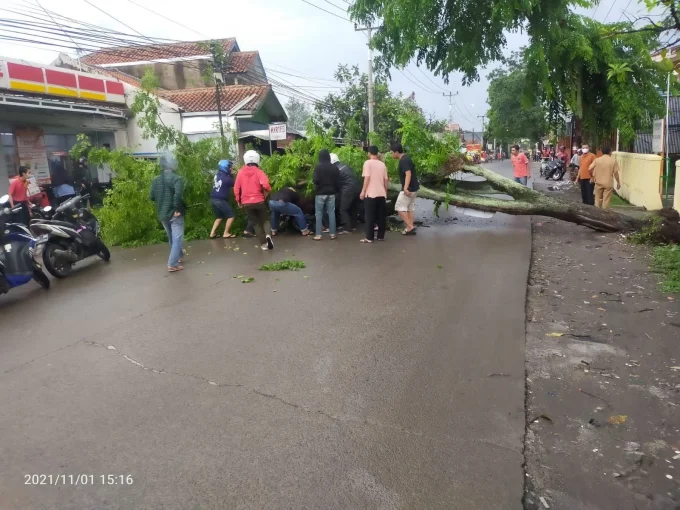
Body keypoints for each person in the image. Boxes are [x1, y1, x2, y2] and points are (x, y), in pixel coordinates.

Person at [150, 153, 186, 272]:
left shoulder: (155, 180)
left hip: (162, 214)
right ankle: (172, 263)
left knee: (171, 238)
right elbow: (178, 196)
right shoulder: (177, 179)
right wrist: (177, 209)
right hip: (174, 214)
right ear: (172, 164)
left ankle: (179, 255)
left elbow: (151, 197)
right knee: (177, 239)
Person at [234, 150, 274, 251]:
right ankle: (268, 236)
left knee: (255, 223)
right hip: (259, 201)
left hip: (246, 203)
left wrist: (238, 200)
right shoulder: (259, 171)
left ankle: (263, 244)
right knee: (265, 220)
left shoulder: (240, 173)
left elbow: (236, 188)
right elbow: (265, 185)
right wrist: (268, 190)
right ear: (257, 159)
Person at [360, 146, 389, 243]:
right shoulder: (382, 165)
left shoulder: (367, 163)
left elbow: (367, 178)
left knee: (369, 216)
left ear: (369, 153)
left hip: (371, 194)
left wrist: (363, 191)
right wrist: (385, 192)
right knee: (381, 216)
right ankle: (381, 236)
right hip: (381, 193)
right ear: (377, 153)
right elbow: (386, 180)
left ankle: (369, 237)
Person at [391, 142, 419, 235]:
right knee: (410, 208)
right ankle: (409, 228)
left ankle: (410, 226)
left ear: (396, 152)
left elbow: (408, 174)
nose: (391, 154)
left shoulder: (403, 160)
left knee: (399, 207)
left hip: (409, 188)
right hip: (414, 188)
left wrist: (406, 188)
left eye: (392, 152)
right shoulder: (407, 158)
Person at [312, 149, 340, 241]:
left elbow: (315, 180)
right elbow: (337, 181)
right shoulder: (334, 168)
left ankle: (318, 235)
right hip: (331, 192)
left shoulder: (318, 167)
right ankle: (332, 234)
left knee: (319, 213)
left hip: (320, 193)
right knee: (331, 212)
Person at [330, 153, 361, 233]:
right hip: (357, 187)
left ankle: (347, 229)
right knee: (353, 208)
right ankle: (353, 226)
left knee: (343, 209)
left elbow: (336, 184)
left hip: (348, 189)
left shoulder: (335, 169)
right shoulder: (345, 166)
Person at [209, 159, 236, 239]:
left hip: (213, 199)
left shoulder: (217, 175)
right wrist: (233, 175)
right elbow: (235, 184)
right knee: (231, 216)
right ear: (225, 168)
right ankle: (226, 233)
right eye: (230, 167)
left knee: (219, 217)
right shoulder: (227, 179)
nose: (231, 168)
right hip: (220, 200)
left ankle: (212, 233)